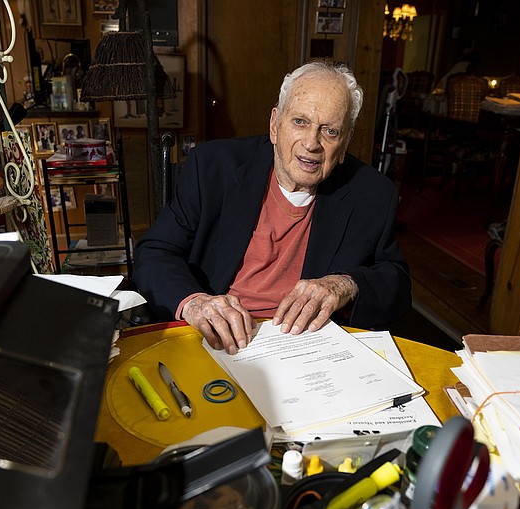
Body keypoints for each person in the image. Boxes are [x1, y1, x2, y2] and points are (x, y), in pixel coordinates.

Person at [133, 61, 411, 354]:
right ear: (275, 125)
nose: (311, 144)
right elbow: (155, 251)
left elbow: (396, 282)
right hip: (218, 336)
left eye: (330, 131)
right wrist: (196, 302)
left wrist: (345, 284)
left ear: (345, 143)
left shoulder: (372, 194)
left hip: (305, 346)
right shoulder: (214, 168)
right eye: (300, 122)